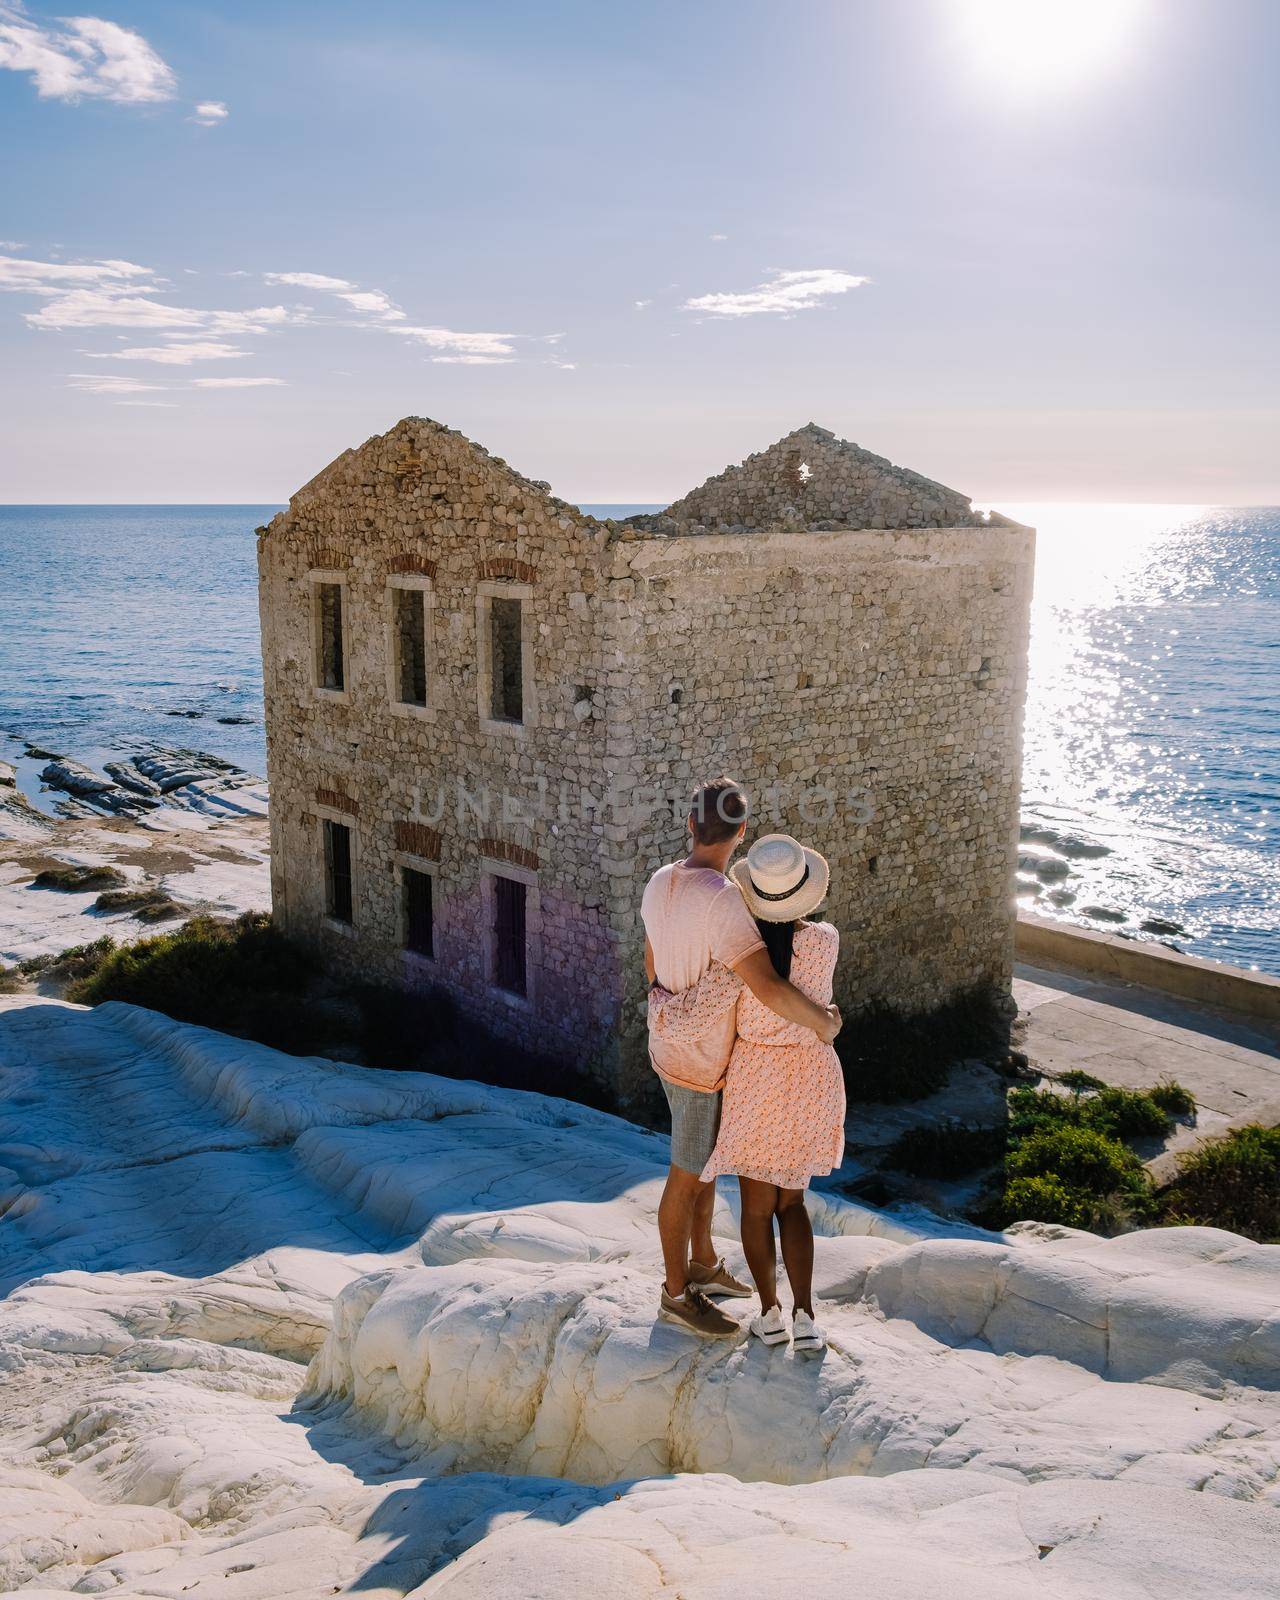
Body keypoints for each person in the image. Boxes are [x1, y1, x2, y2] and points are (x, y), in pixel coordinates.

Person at [641, 780, 841, 1340]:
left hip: (667, 1047)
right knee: (685, 1177)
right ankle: (676, 1295)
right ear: (742, 834)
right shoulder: (724, 900)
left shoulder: (660, 881)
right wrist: (825, 1023)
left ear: (689, 823)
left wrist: (676, 1014)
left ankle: (702, 1263)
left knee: (703, 1165)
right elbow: (770, 988)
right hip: (703, 1065)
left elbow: (650, 961)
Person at [700, 833, 846, 1354]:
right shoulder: (824, 940)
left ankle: (769, 1314)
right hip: (808, 1074)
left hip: (757, 1074)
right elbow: (817, 1002)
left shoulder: (739, 951)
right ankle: (807, 1316)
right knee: (793, 1204)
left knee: (756, 1208)